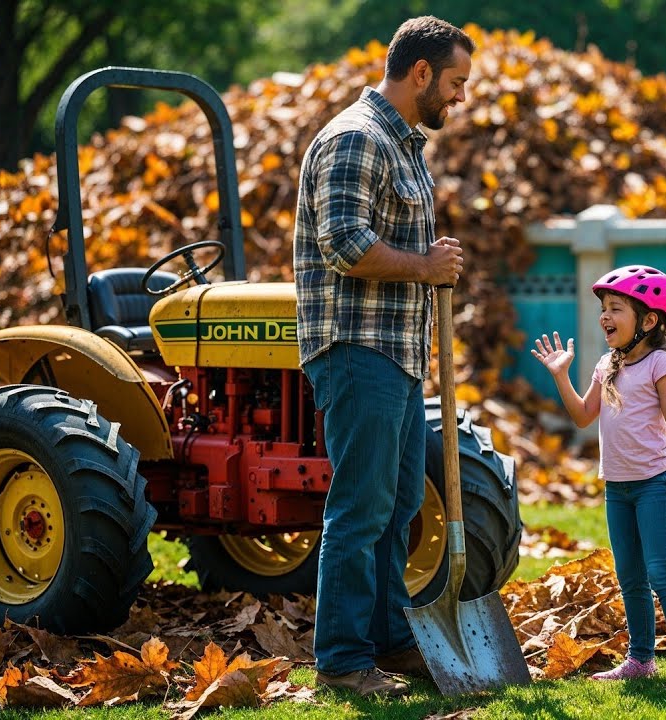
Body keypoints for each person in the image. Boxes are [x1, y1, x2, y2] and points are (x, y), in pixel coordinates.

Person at [292, 16, 473, 698]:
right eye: (455, 82)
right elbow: (345, 244)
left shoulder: (404, 147)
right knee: (361, 509)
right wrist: (425, 266)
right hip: (356, 350)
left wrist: (430, 267)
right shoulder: (354, 141)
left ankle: (390, 643)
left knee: (398, 507)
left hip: (396, 354)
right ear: (420, 72)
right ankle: (341, 662)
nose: (460, 97)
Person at [531, 265, 666, 693]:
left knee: (662, 572)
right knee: (629, 576)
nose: (605, 316)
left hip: (655, 483)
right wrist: (560, 376)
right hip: (617, 486)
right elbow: (584, 416)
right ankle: (641, 659)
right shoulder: (607, 363)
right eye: (604, 309)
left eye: (616, 308)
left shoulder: (660, 362)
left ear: (648, 321)